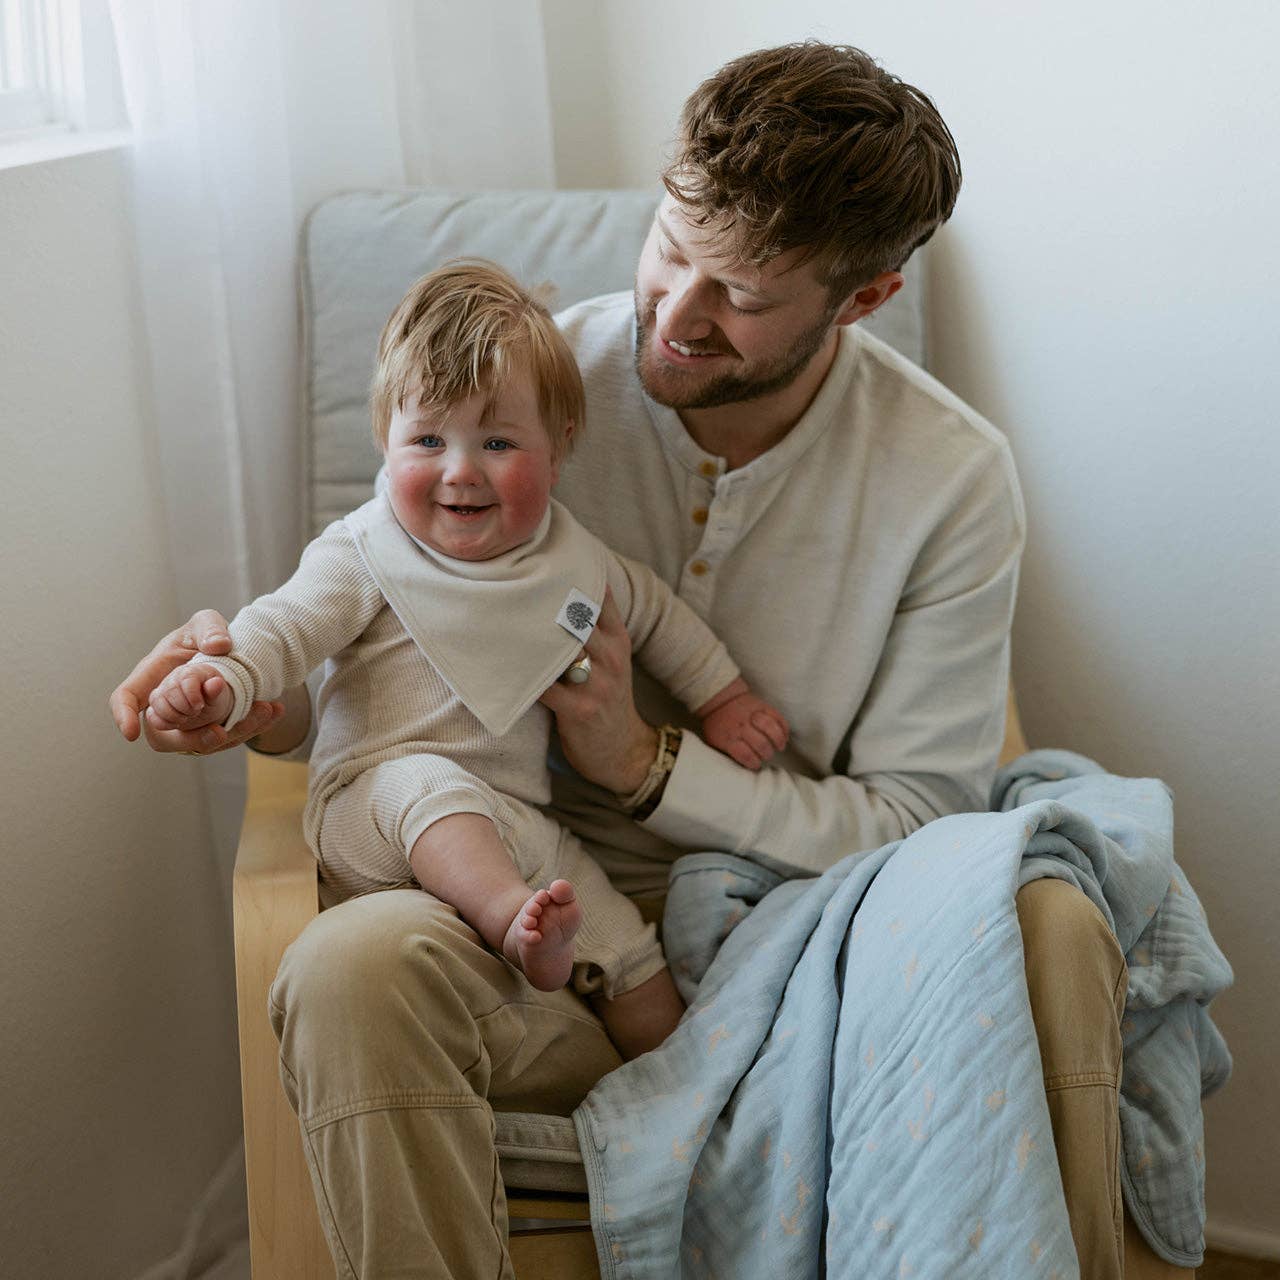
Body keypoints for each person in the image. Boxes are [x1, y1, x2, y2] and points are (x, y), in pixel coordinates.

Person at [112, 41, 1183, 1279]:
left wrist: (642, 764)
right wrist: (251, 693)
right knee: (348, 964)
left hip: (792, 966)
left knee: (1044, 920)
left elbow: (919, 819)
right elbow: (383, 637)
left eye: (740, 292)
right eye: (671, 245)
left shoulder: (947, 479)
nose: (674, 316)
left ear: (863, 297)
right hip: (515, 932)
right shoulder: (514, 393)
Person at [143, 260, 788, 1057]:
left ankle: (680, 1105)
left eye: (497, 441)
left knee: (628, 950)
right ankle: (508, 924)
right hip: (372, 805)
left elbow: (661, 618)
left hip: (517, 824)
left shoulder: (577, 561)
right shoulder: (363, 553)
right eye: (427, 439)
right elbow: (284, 626)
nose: (460, 469)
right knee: (431, 788)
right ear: (384, 440)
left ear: (559, 450)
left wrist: (722, 697)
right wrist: (229, 678)